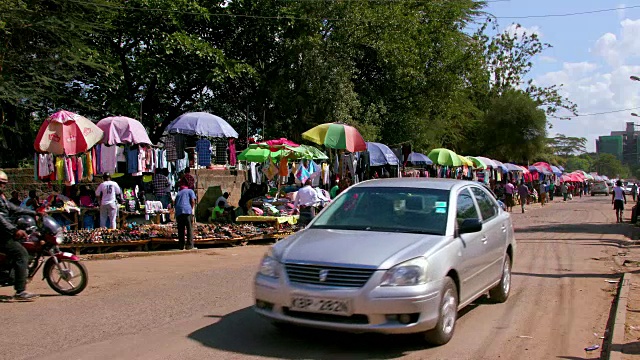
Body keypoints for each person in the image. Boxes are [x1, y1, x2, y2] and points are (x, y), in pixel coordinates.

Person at [0, 171, 39, 300]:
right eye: (1, 183)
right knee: (21, 253)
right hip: (2, 235)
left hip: (5, 232)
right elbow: (0, 219)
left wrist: (34, 213)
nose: (3, 186)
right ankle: (20, 291)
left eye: (4, 184)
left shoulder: (2, 198)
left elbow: (15, 209)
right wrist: (14, 230)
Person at [174, 183, 196, 250]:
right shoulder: (190, 191)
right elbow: (192, 201)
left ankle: (181, 245)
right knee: (189, 228)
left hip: (179, 212)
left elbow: (174, 203)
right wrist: (191, 208)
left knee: (181, 229)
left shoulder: (178, 193)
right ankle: (189, 245)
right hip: (187, 211)